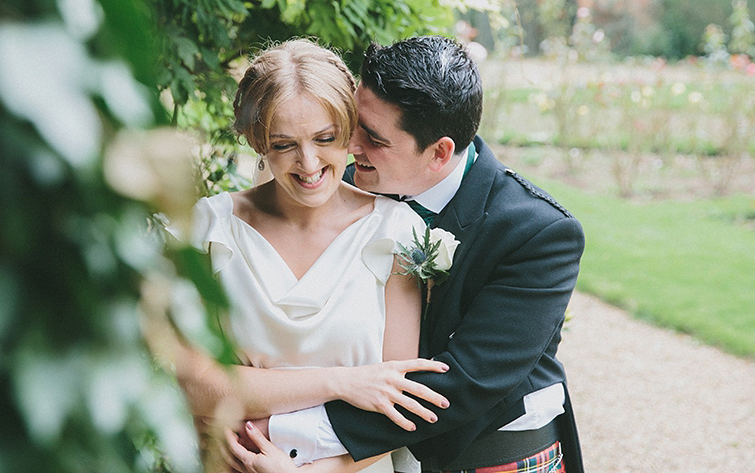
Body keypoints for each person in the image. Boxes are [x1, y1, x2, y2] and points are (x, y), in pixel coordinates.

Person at [230, 36, 585, 473]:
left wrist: (289, 436)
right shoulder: (335, 182)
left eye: (373, 137)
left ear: (439, 153)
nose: (350, 144)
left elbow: (462, 383)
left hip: (492, 458)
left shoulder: (537, 233)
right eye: (352, 123)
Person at [172, 38, 453, 473]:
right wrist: (343, 383)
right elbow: (195, 384)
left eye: (325, 138)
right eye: (284, 144)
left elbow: (397, 403)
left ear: (351, 130)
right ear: (258, 141)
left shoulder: (396, 233)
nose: (308, 163)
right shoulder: (210, 228)